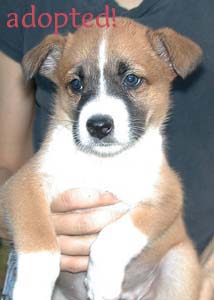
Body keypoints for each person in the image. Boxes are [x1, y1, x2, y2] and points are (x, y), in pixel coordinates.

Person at [0, 0, 213, 299]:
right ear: (51, 70)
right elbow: (11, 176)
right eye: (77, 85)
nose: (100, 113)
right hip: (63, 286)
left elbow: (165, 202)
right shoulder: (60, 150)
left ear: (167, 63)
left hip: (168, 277)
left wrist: (111, 250)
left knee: (177, 262)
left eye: (131, 80)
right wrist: (38, 261)